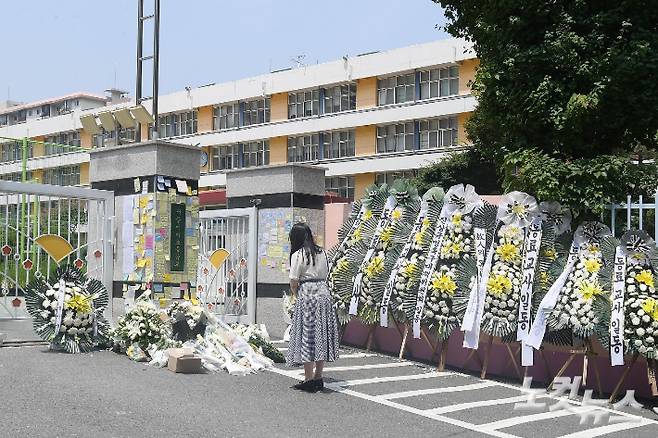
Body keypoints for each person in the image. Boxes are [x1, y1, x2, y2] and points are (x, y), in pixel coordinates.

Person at [286, 222, 340, 392]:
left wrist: (294, 295)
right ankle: (318, 377)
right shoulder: (322, 252)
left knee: (307, 336)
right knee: (321, 334)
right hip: (324, 293)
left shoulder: (298, 255)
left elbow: (294, 281)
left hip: (307, 294)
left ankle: (308, 379)